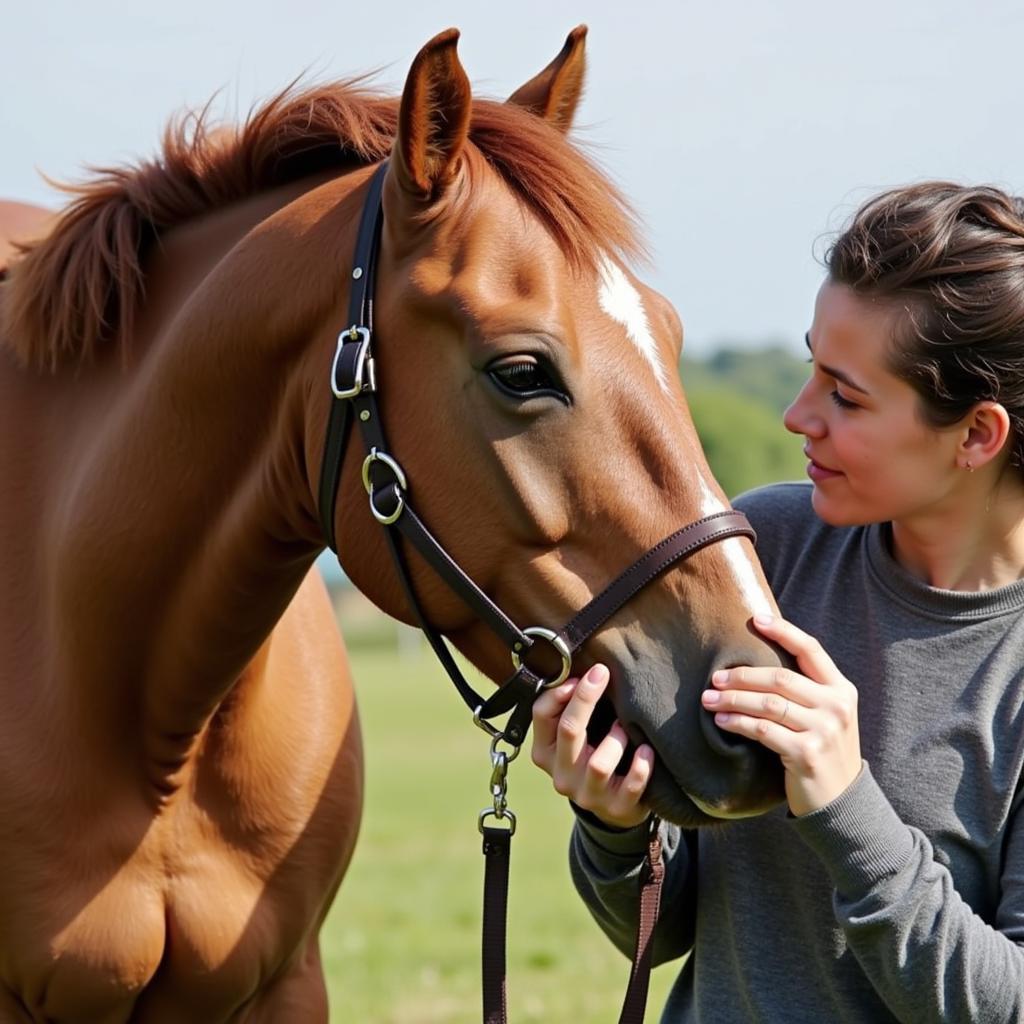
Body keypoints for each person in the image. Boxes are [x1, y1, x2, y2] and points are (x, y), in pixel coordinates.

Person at [531, 181, 1024, 1023]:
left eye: (847, 396)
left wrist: (845, 804)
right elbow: (666, 925)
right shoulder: (765, 550)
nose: (799, 416)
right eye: (811, 371)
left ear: (976, 435)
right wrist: (616, 825)